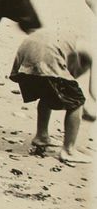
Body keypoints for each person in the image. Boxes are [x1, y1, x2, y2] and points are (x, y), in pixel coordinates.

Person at [9, 30, 93, 164]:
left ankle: (42, 136)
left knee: (47, 92)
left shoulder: (80, 37)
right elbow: (93, 89)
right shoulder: (91, 47)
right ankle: (68, 151)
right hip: (46, 54)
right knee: (77, 102)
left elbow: (71, 72)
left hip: (28, 52)